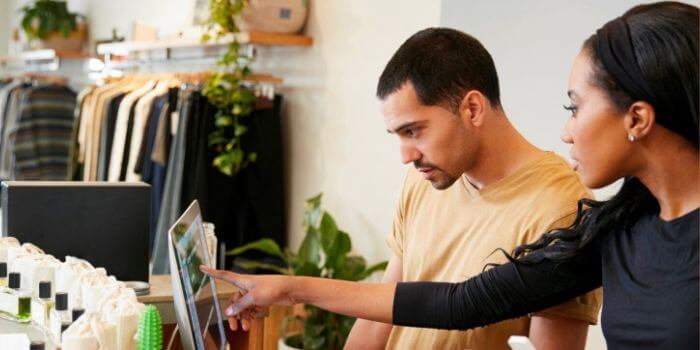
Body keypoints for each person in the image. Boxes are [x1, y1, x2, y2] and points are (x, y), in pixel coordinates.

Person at [200, 2, 699, 349]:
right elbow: (460, 303)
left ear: (636, 118)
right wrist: (288, 288)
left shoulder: (562, 203)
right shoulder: (619, 228)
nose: (567, 131)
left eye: (575, 107)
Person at [344, 28, 600, 350]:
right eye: (397, 135)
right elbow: (376, 322)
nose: (405, 155)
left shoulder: (563, 208)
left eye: (413, 131)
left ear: (473, 109)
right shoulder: (424, 179)